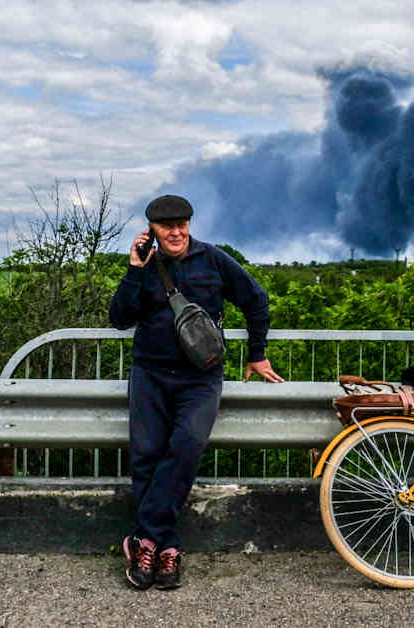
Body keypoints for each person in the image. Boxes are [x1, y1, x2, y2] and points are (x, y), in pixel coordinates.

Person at [108, 194, 284, 590]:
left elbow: (256, 300)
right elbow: (119, 318)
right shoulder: (146, 265)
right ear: (151, 229)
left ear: (189, 224)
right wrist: (135, 268)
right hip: (150, 373)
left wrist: (257, 354)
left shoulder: (214, 259)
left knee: (186, 446)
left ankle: (143, 538)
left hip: (200, 377)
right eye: (167, 226)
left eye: (182, 224)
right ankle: (165, 549)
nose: (176, 231)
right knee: (147, 457)